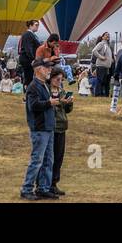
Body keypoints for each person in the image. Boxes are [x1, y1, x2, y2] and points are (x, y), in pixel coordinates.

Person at [21, 60, 58, 200]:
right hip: (39, 128)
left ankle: (43, 188)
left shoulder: (43, 85)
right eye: (47, 68)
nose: (49, 70)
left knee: (48, 160)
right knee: (37, 160)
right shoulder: (33, 86)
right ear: (38, 70)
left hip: (48, 127)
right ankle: (27, 189)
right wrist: (49, 103)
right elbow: (33, 105)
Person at [49, 67, 72, 197]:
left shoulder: (62, 91)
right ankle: (45, 183)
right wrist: (59, 102)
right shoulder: (46, 91)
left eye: (61, 79)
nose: (59, 81)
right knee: (49, 158)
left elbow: (67, 111)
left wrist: (68, 103)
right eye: (57, 79)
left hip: (62, 127)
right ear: (51, 78)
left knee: (59, 157)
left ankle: (54, 183)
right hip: (51, 127)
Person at [91, 33, 114, 98]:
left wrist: (111, 59)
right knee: (100, 80)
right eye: (106, 35)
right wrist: (101, 57)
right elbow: (94, 51)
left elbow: (107, 55)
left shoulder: (107, 45)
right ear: (102, 37)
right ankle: (97, 94)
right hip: (101, 65)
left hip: (106, 66)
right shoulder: (101, 44)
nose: (108, 36)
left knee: (105, 81)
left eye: (108, 35)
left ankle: (103, 94)